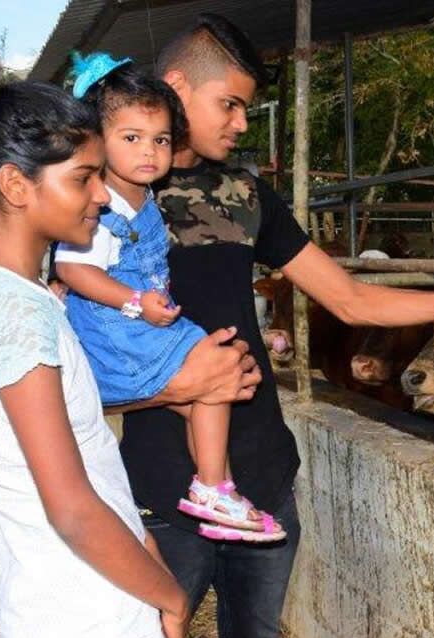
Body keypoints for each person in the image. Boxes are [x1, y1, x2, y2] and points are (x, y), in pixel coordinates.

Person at [121, 14, 434, 638]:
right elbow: (70, 355)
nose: (243, 123)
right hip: (164, 488)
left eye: (247, 107)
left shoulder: (245, 197)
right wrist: (165, 390)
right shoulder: (108, 201)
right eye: (230, 104)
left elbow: (350, 296)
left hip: (264, 477)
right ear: (176, 86)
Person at [0, 44, 260, 638]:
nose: (103, 195)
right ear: (17, 187)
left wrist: (151, 566)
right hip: (87, 625)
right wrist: (171, 598)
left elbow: (93, 469)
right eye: (84, 178)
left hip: (67, 598)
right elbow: (72, 508)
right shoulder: (14, 317)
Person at [54, 52, 280, 541]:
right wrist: (134, 301)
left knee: (211, 390)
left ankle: (215, 489)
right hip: (117, 327)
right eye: (131, 139)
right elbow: (72, 268)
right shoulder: (102, 204)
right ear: (96, 140)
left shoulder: (143, 196)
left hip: (142, 321)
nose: (149, 153)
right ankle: (213, 486)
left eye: (159, 140)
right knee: (216, 375)